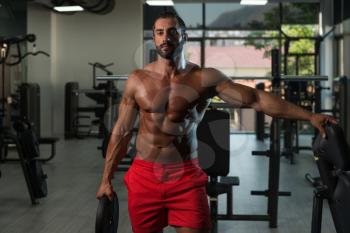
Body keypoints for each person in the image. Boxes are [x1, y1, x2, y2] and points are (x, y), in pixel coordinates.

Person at [96, 11, 336, 233]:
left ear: (184, 36)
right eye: (159, 32)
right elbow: (122, 131)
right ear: (153, 37)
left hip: (185, 177)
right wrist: (106, 179)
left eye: (171, 31)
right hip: (144, 176)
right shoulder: (137, 80)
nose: (165, 38)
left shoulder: (204, 79)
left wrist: (309, 116)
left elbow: (256, 100)